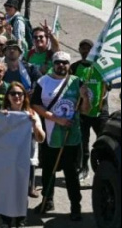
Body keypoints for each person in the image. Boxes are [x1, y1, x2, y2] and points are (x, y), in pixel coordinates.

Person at [30, 51, 91, 221]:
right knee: (48, 170)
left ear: (69, 65)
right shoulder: (43, 82)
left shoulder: (77, 82)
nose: (61, 65)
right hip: (51, 134)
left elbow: (85, 110)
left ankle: (75, 205)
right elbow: (35, 105)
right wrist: (57, 119)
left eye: (65, 62)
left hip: (72, 136)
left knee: (71, 172)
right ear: (53, 64)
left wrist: (85, 97)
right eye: (58, 62)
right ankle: (47, 201)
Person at [0, 81, 46, 228]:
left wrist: (33, 124)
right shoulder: (1, 114)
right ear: (8, 96)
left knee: (22, 192)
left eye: (20, 94)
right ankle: (6, 220)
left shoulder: (31, 114)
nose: (16, 97)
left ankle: (20, 220)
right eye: (13, 93)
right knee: (6, 190)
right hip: (5, 160)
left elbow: (41, 138)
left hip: (27, 160)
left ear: (24, 96)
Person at [70, 38, 110, 182]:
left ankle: (104, 169)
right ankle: (83, 167)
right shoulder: (74, 67)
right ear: (79, 50)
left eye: (89, 48)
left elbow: (109, 85)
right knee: (82, 142)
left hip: (100, 112)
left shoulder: (101, 67)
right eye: (83, 48)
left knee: (104, 141)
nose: (86, 51)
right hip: (82, 112)